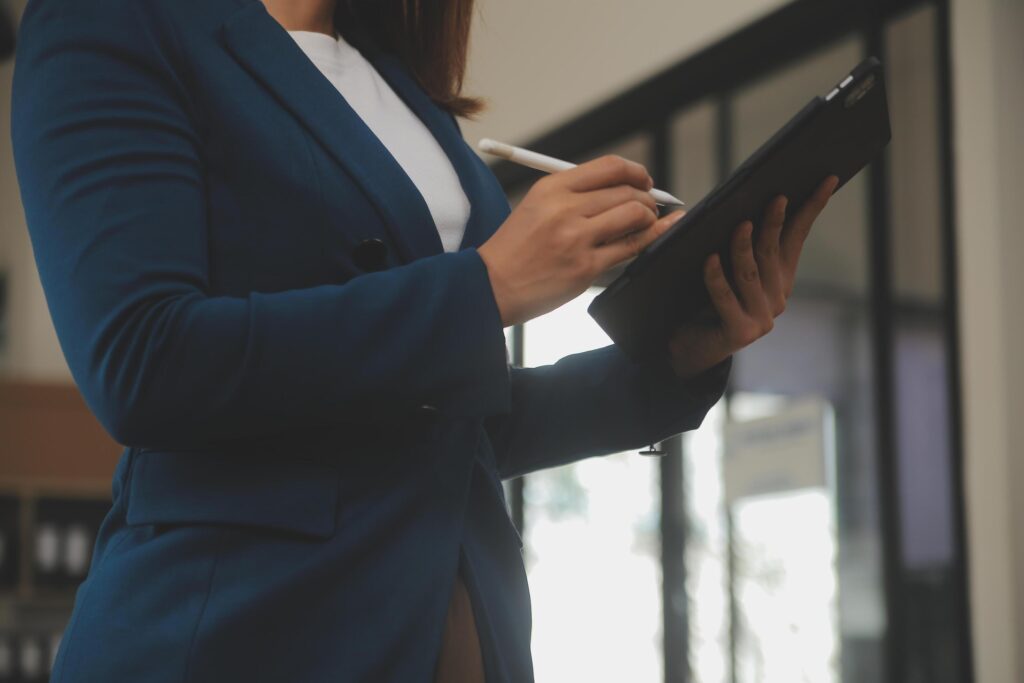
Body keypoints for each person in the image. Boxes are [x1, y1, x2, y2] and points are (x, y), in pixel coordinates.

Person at [9, 0, 838, 680]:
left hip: (464, 629)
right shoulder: (110, 25)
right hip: (244, 635)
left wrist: (672, 361)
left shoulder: (393, 82)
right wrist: (488, 287)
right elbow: (144, 361)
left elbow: (447, 426)